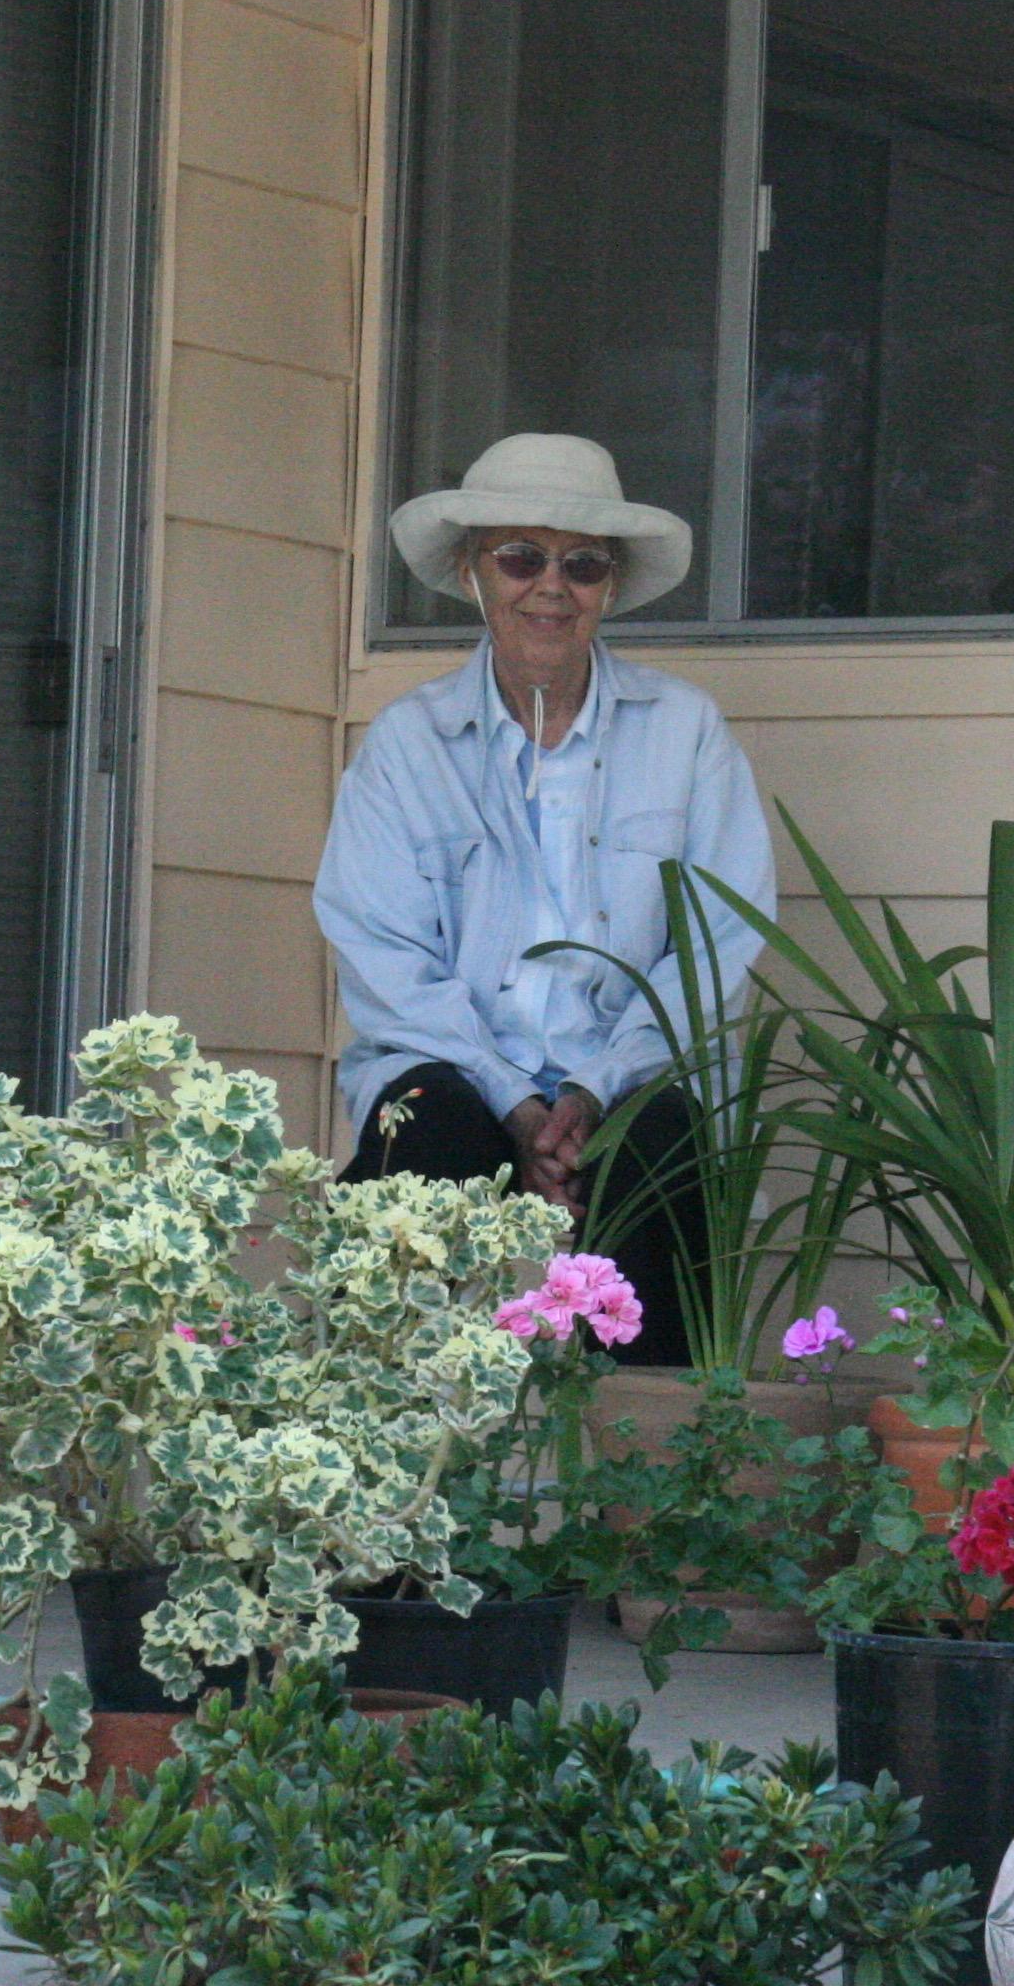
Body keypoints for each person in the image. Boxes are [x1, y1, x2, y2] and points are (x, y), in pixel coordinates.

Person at [315, 433, 773, 1365]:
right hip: (461, 1065)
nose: (551, 587)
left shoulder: (685, 731)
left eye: (583, 564)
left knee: (662, 1142)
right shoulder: (409, 744)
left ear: (610, 583)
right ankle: (380, 1417)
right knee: (426, 1128)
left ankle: (649, 1440)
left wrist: (594, 1089)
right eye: (521, 558)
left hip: (633, 1068)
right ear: (473, 572)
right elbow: (385, 957)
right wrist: (520, 1105)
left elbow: (717, 944)